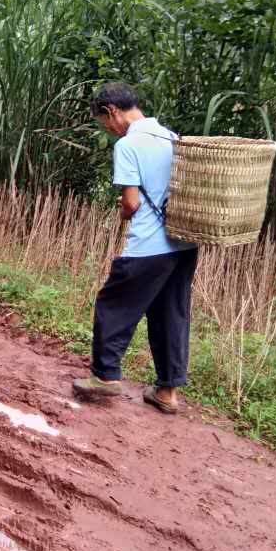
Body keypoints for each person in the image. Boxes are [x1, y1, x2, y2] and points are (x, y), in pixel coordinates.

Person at [73, 82, 199, 415]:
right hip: (184, 244)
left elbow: (131, 203)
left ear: (111, 111)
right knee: (171, 313)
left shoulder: (128, 145)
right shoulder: (172, 137)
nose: (109, 129)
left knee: (113, 305)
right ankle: (167, 391)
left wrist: (124, 210)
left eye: (105, 122)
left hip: (149, 245)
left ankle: (105, 376)